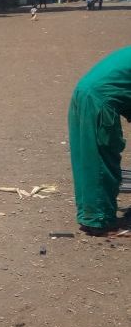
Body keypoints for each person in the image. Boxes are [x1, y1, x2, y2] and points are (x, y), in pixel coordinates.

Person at [68, 46, 131, 235]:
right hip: (98, 102)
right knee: (101, 163)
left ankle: (91, 216)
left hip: (83, 93)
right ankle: (99, 221)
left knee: (87, 162)